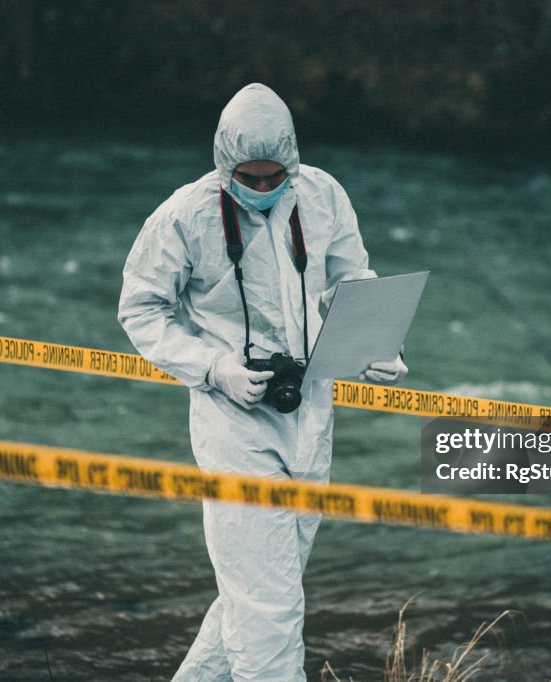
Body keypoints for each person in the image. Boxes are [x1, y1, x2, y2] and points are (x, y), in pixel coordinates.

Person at [118, 83, 408, 681]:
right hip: (235, 428)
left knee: (254, 598)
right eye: (245, 178)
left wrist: (381, 346)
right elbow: (141, 310)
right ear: (223, 163)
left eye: (271, 176)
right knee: (270, 611)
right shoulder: (185, 215)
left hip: (310, 416)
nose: (259, 188)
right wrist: (212, 367)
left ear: (291, 163)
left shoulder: (323, 196)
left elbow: (353, 285)